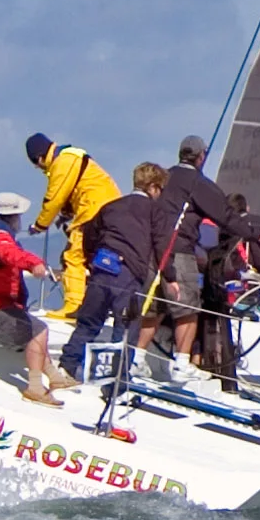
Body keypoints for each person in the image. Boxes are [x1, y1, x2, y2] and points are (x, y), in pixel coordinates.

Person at [0, 193, 74, 405]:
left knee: (32, 325)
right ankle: (35, 387)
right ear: (11, 218)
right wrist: (34, 263)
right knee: (38, 330)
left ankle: (54, 377)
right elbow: (10, 254)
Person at [138, 135, 232, 382]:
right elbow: (225, 215)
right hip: (179, 251)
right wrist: (253, 234)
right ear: (201, 157)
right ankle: (182, 362)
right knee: (188, 308)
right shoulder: (199, 183)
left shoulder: (164, 178)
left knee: (155, 307)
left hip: (152, 250)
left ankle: (136, 359)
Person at [64, 162, 168, 380]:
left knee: (88, 322)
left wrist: (91, 259)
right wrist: (171, 277)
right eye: (160, 189)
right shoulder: (155, 211)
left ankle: (67, 368)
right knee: (126, 329)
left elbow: (90, 233)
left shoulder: (111, 207)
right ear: (153, 187)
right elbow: (161, 244)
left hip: (102, 268)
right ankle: (116, 382)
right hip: (128, 275)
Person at [25, 134, 122, 319]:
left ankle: (74, 306)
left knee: (73, 256)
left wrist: (39, 225)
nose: (39, 168)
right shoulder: (71, 156)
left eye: (37, 164)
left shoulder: (62, 163)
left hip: (93, 211)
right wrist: (66, 214)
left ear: (39, 158)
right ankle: (101, 305)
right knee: (97, 258)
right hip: (108, 210)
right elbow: (75, 188)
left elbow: (54, 197)